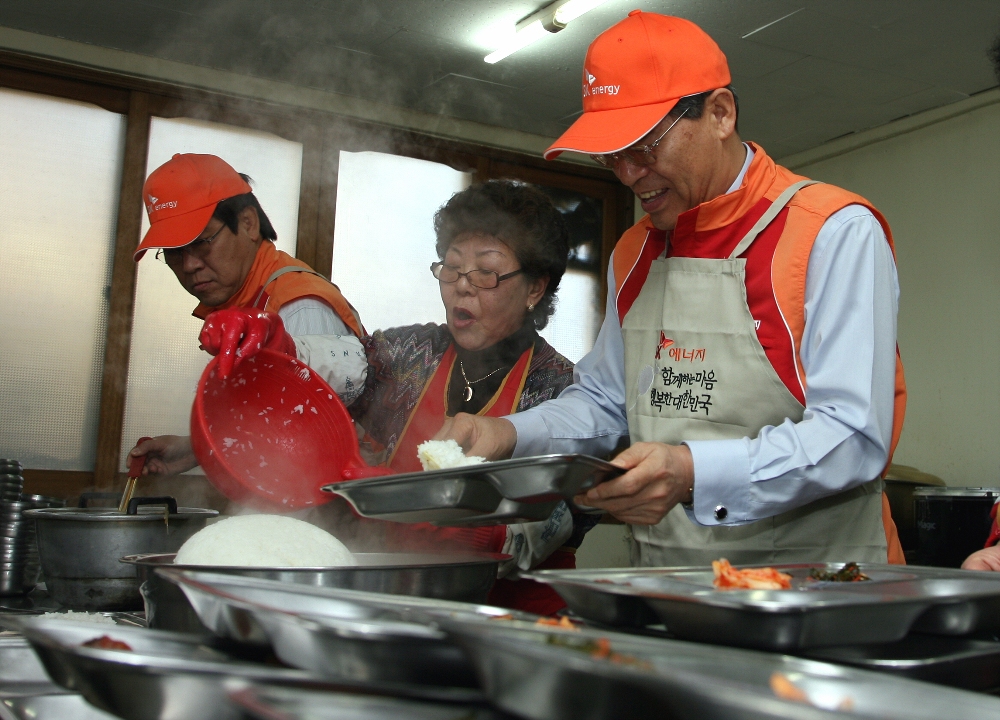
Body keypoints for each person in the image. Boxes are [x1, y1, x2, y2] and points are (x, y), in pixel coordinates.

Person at [438, 11, 907, 567]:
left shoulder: (831, 232)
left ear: (720, 114)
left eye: (645, 146)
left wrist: (691, 472)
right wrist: (505, 433)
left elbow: (853, 435)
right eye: (612, 155)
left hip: (817, 592)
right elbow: (604, 402)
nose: (629, 174)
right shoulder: (634, 251)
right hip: (670, 589)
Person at [349, 180, 596, 614]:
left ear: (535, 289)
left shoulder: (564, 392)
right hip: (398, 606)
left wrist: (463, 531)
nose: (462, 286)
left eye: (486, 273)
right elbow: (337, 371)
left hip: (516, 621)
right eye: (452, 267)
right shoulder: (406, 354)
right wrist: (288, 348)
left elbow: (565, 520)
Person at [127, 153, 367, 475]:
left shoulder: (297, 305)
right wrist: (194, 448)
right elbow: (269, 418)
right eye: (173, 253)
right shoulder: (244, 300)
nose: (189, 265)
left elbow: (304, 450)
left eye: (202, 243)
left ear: (248, 223)